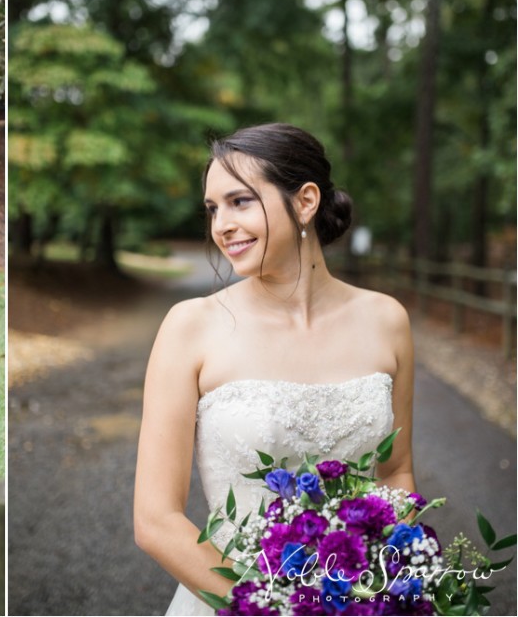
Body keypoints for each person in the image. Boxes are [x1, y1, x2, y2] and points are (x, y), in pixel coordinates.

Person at [133, 123, 416, 615]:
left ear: (305, 202)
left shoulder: (387, 321)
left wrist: (381, 586)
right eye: (213, 208)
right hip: (235, 601)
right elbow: (156, 520)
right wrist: (275, 606)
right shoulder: (191, 327)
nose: (221, 224)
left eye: (240, 201)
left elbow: (397, 472)